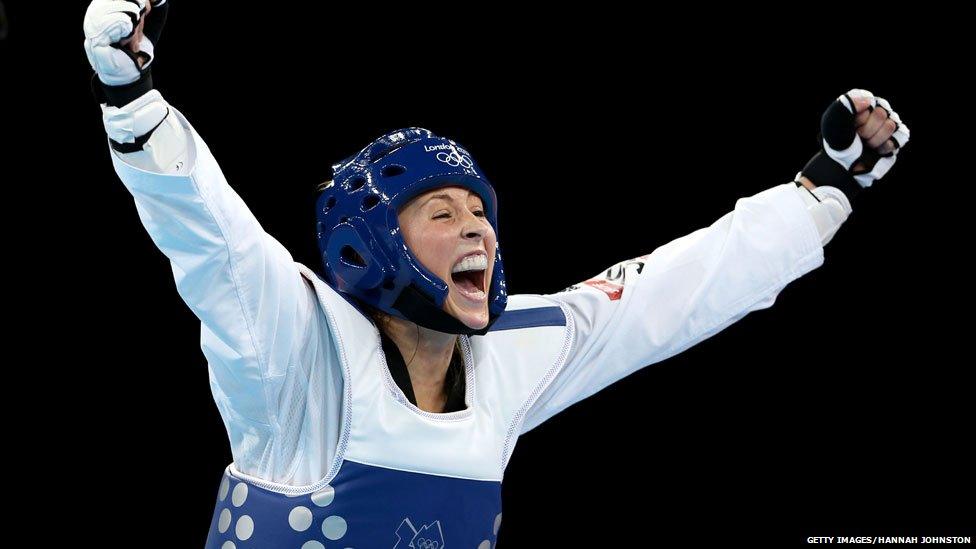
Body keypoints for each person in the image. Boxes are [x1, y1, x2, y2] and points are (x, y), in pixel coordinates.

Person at [83, 1, 910, 547]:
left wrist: (825, 191)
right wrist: (135, 102)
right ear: (365, 247)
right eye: (439, 213)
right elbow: (212, 239)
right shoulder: (301, 353)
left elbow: (673, 290)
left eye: (478, 210)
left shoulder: (512, 354)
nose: (475, 225)